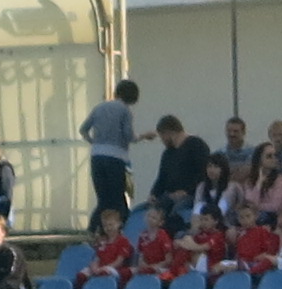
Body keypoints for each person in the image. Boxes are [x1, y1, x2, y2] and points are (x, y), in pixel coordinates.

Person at [81, 77, 141, 224]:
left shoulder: (99, 107)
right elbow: (129, 136)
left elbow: (83, 129)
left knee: (103, 198)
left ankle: (95, 229)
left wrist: (94, 142)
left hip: (97, 156)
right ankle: (124, 228)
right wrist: (143, 136)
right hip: (116, 158)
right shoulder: (125, 111)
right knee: (117, 197)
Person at [149, 117, 210, 223]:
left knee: (178, 210)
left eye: (162, 136)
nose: (162, 140)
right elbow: (162, 178)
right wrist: (154, 193)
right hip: (170, 194)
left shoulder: (196, 145)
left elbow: (203, 173)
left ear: (169, 133)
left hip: (192, 194)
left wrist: (187, 191)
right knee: (154, 211)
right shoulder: (168, 153)